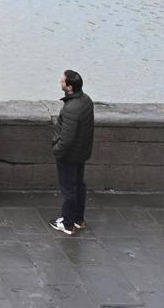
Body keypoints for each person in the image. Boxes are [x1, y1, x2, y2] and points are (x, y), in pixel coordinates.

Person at [51, 69, 95, 236]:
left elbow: (67, 138)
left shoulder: (71, 108)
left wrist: (57, 150)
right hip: (81, 152)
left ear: (69, 87)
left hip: (69, 155)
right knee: (79, 186)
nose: (60, 83)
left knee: (68, 189)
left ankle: (68, 224)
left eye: (62, 81)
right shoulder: (86, 100)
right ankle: (79, 219)